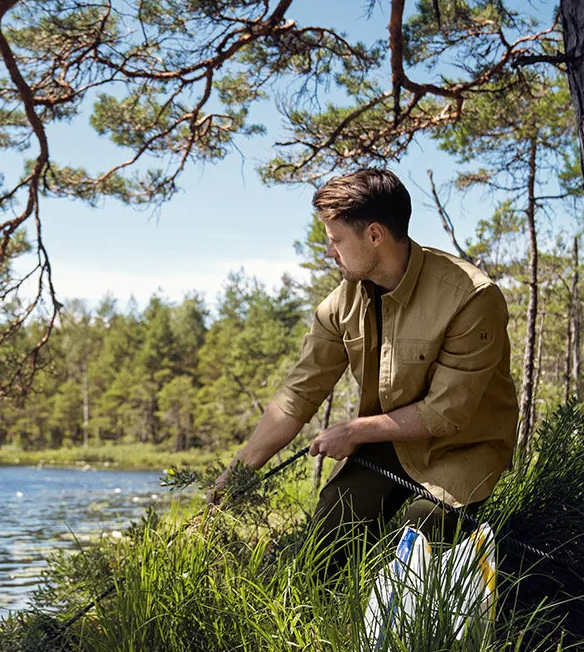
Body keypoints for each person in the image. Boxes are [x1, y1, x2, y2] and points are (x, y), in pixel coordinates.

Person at [215, 167, 518, 564]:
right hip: (388, 442)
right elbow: (298, 395)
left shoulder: (472, 298)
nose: (329, 251)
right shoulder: (340, 305)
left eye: (336, 239)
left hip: (463, 448)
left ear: (374, 235)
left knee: (422, 542)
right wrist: (238, 473)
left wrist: (354, 430)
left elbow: (447, 413)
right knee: (323, 546)